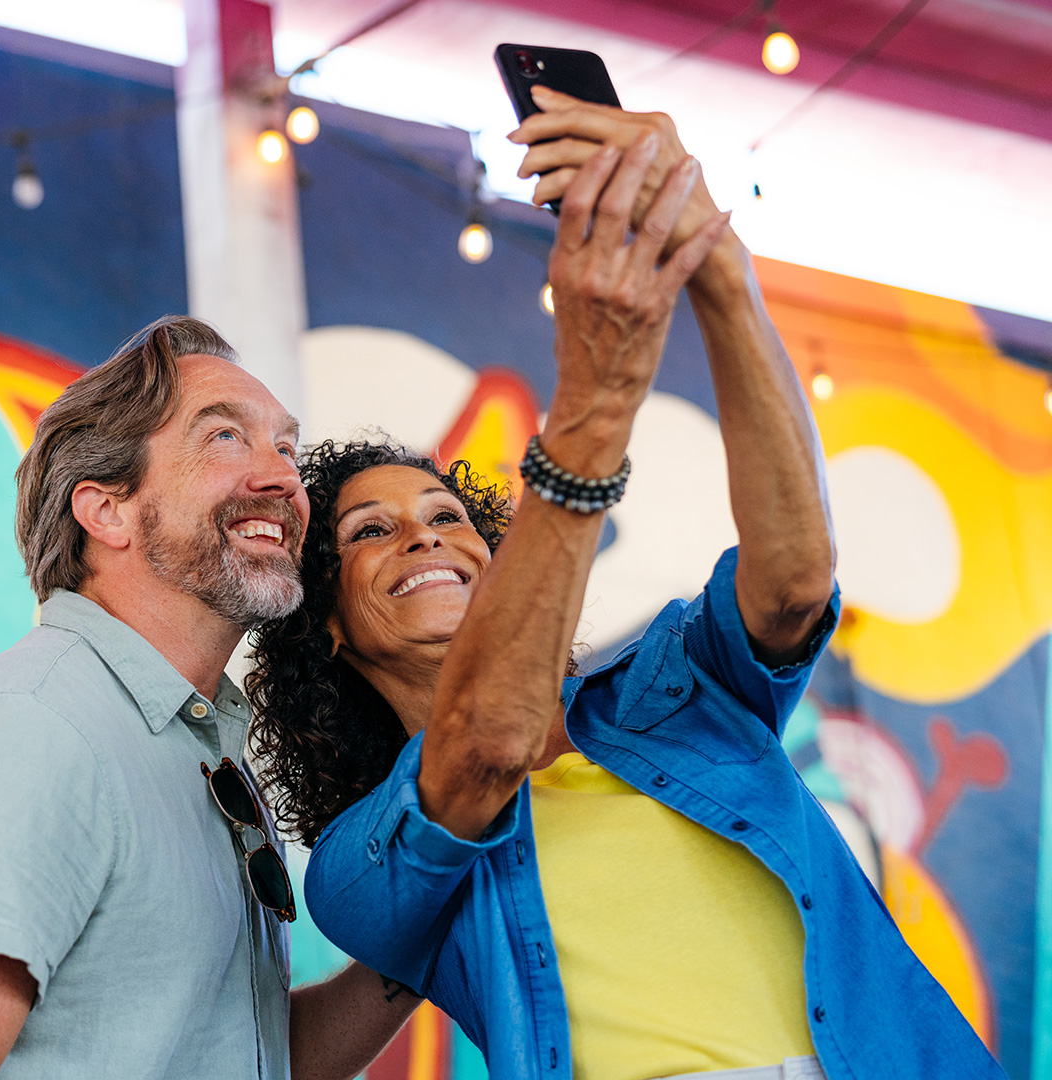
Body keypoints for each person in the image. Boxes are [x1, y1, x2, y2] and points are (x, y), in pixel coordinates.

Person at [245, 100, 1004, 1080]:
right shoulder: (362, 869)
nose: (426, 539)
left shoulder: (670, 692)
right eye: (370, 532)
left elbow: (796, 582)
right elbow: (483, 750)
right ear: (330, 630)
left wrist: (715, 265)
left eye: (449, 520)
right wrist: (593, 410)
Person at [0, 316, 422, 1080]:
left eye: (285, 446)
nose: (285, 478)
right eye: (224, 438)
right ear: (105, 510)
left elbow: (248, 1058)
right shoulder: (24, 731)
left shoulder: (198, 747)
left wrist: (424, 932)